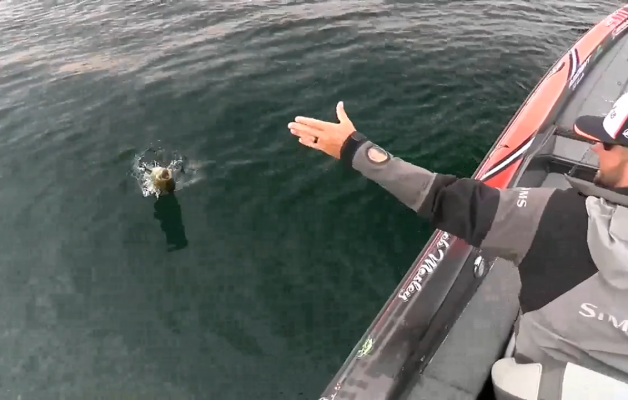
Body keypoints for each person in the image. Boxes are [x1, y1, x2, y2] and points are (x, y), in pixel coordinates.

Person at [287, 95, 628, 382]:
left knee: (510, 376)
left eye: (607, 143)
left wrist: (354, 149)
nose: (595, 146)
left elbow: (443, 198)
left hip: (544, 380)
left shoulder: (556, 216)